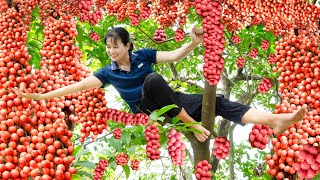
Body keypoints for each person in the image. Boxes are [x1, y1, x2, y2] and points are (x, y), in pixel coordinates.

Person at [14, 26, 306, 142]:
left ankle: (273, 120)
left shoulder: (143, 56)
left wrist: (193, 42)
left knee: (216, 101)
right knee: (153, 79)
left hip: (171, 100)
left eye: (116, 46)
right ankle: (191, 124)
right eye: (108, 48)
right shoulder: (108, 72)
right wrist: (39, 97)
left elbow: (175, 54)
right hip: (147, 107)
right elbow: (74, 88)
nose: (112, 51)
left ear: (128, 45)